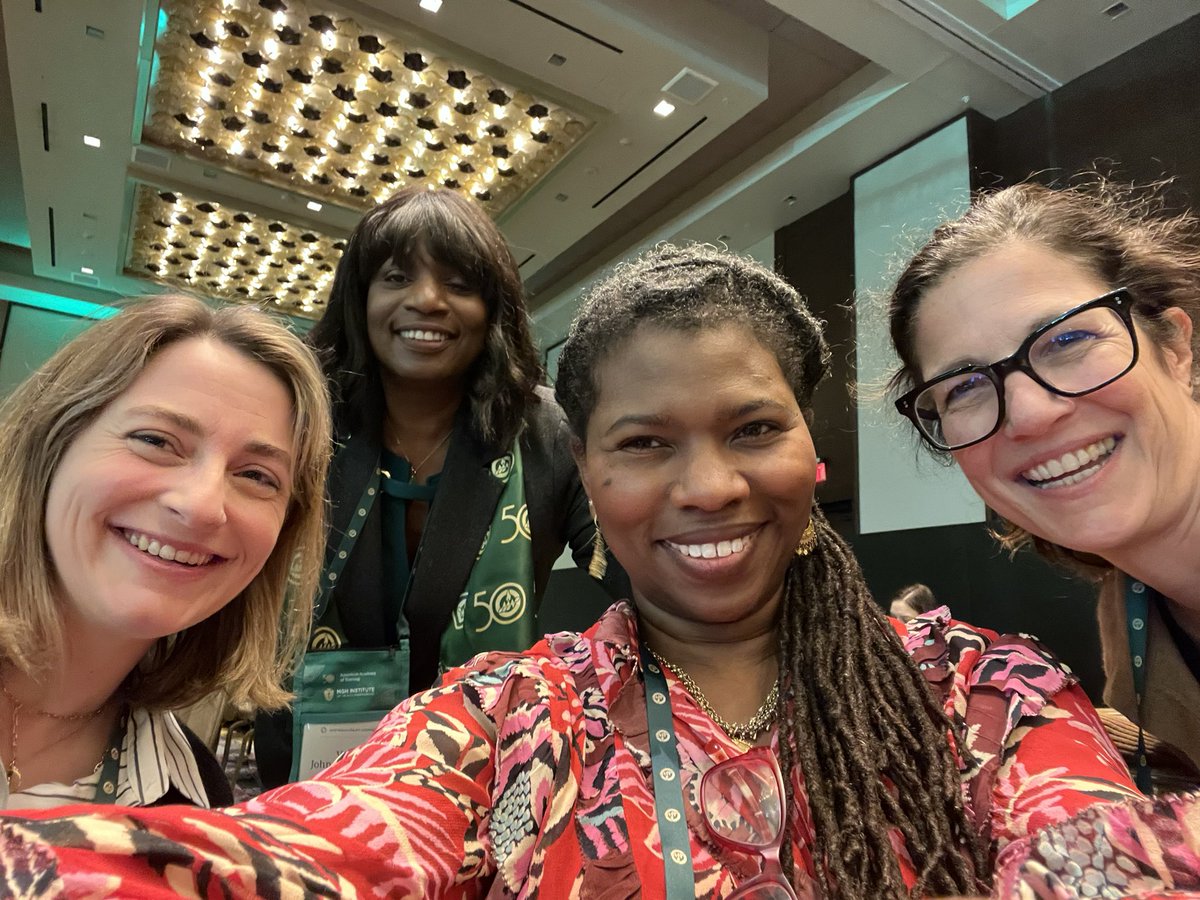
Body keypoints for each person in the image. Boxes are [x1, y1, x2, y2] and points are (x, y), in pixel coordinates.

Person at [0, 245, 1160, 899]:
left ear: (815, 453)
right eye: (645, 445)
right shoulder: (509, 714)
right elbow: (317, 847)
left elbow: (1100, 857)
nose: (705, 486)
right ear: (589, 485)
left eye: (751, 429)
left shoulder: (981, 690)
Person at [256, 186, 626, 788]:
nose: (426, 300)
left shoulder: (547, 431)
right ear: (361, 297)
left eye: (458, 284)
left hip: (491, 765)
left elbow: (623, 557)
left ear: (493, 309)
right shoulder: (297, 419)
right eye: (397, 277)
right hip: (313, 764)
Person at [888, 179, 1200, 783]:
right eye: (966, 387)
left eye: (1069, 339)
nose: (1031, 413)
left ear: (1177, 347)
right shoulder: (1130, 606)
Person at [0, 294, 331, 810]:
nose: (202, 506)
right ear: (51, 443)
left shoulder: (194, 802)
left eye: (255, 476)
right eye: (156, 441)